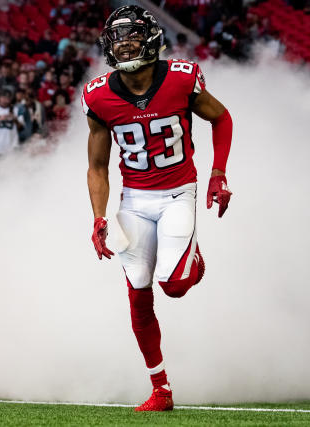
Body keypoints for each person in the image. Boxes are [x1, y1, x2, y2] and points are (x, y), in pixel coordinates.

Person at [82, 5, 233, 412]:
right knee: (138, 293)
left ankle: (193, 258)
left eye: (132, 35)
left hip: (178, 192)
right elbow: (97, 166)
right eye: (118, 37)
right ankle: (161, 389)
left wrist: (218, 173)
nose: (124, 42)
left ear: (150, 37)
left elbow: (221, 118)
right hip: (134, 200)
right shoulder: (98, 95)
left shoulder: (181, 78)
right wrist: (98, 217)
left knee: (175, 284)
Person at [0, 89, 24, 156]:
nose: (5, 100)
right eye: (3, 97)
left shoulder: (16, 110)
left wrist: (15, 119)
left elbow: (21, 128)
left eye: (7, 98)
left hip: (11, 147)